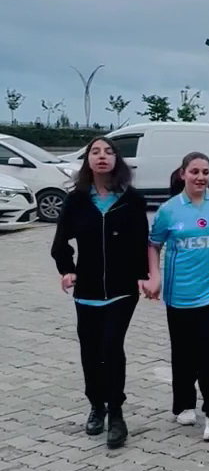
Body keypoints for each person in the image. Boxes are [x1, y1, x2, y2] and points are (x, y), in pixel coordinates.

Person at [50, 136, 155, 450]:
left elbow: (141, 240)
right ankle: (97, 405)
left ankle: (117, 414)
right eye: (95, 152)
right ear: (87, 161)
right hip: (87, 290)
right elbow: (60, 243)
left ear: (116, 160)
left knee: (111, 347)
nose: (102, 157)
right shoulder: (77, 200)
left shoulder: (131, 199)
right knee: (90, 351)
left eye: (108, 152)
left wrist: (143, 276)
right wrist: (67, 269)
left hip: (122, 290)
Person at [148, 151, 209, 442]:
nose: (200, 177)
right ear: (183, 174)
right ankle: (184, 403)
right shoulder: (169, 210)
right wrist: (155, 276)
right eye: (195, 171)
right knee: (184, 352)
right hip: (179, 295)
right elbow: (153, 245)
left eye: (205, 172)